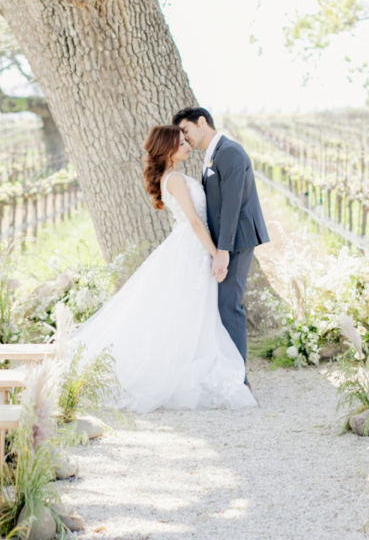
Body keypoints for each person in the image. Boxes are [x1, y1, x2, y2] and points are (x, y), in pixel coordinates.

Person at [70, 125, 256, 412]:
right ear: (168, 148)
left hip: (191, 246)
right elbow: (195, 222)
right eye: (181, 143)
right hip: (192, 247)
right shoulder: (176, 180)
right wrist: (218, 255)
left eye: (186, 140)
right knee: (186, 309)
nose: (187, 146)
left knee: (192, 311)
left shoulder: (174, 177)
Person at [173, 107, 268, 386]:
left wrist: (222, 250)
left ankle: (239, 380)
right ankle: (225, 372)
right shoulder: (212, 154)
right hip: (224, 241)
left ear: (202, 122)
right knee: (221, 304)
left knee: (229, 305)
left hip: (236, 239)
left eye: (187, 131)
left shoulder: (230, 152)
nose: (186, 138)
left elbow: (232, 204)